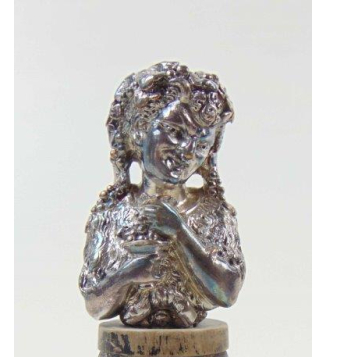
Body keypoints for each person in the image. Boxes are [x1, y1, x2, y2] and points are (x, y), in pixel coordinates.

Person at [79, 62, 245, 328]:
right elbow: (94, 304)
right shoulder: (112, 214)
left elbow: (228, 291)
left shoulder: (214, 213)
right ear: (140, 131)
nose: (187, 152)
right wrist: (129, 274)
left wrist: (180, 232)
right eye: (175, 133)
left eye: (201, 144)